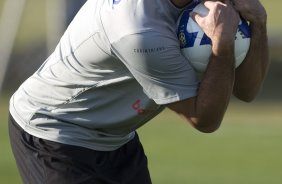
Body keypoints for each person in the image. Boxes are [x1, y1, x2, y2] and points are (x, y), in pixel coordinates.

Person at [8, 0, 269, 183]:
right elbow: (204, 119)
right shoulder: (138, 28)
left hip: (117, 139)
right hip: (54, 132)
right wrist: (222, 47)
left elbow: (247, 90)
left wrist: (258, 23)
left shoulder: (215, 4)